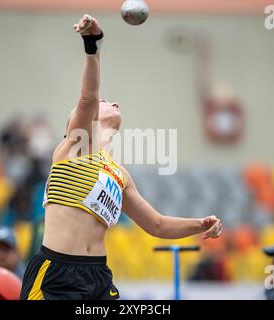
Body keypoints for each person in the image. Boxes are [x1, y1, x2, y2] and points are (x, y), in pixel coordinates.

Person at [19, 14, 223, 300]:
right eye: (106, 102)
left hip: (98, 276)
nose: (113, 102)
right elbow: (88, 96)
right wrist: (93, 44)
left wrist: (199, 223)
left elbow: (157, 225)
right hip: (56, 275)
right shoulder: (75, 147)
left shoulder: (119, 174)